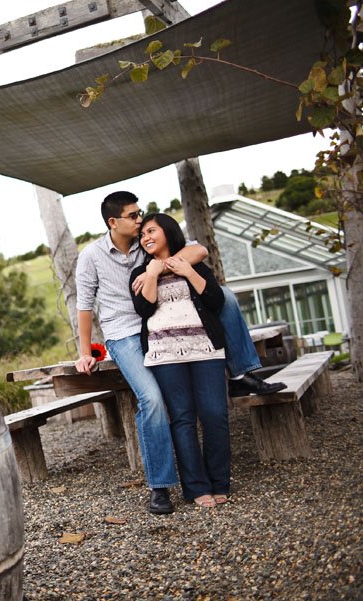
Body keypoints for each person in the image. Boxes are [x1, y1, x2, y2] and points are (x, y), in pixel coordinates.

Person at [75, 191, 284, 514]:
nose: (140, 221)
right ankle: (160, 487)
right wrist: (85, 351)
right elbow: (84, 306)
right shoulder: (92, 255)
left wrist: (155, 268)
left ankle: (242, 371)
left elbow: (197, 249)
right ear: (113, 222)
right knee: (154, 401)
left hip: (158, 323)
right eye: (133, 217)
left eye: (142, 216)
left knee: (224, 296)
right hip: (124, 333)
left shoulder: (146, 246)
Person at [130, 213, 229, 508]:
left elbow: (215, 301)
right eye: (142, 235)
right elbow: (144, 309)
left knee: (215, 415)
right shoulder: (140, 271)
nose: (146, 238)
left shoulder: (193, 261)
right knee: (183, 419)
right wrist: (152, 273)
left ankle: (220, 481)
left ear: (168, 231)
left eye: (151, 231)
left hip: (206, 349)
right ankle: (197, 487)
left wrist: (188, 271)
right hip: (165, 355)